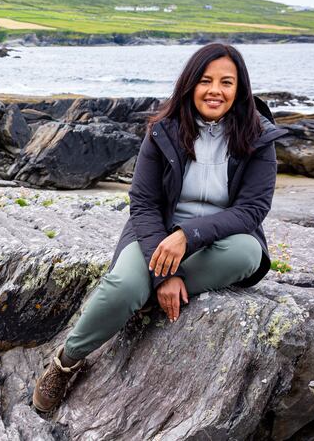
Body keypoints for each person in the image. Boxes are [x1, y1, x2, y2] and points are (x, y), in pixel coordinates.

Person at [32, 42, 288, 413]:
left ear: (240, 89)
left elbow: (252, 210)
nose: (215, 90)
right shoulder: (163, 130)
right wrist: (163, 271)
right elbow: (144, 203)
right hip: (156, 233)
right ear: (190, 84)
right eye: (205, 80)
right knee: (121, 288)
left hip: (217, 238)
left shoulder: (259, 137)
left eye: (226, 82)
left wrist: (188, 237)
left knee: (248, 252)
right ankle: (66, 361)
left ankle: (146, 291)